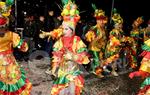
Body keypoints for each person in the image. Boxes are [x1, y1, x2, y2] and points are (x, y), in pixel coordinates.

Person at [40, 1, 90, 94]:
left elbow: (83, 56)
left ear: (72, 30)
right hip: (63, 71)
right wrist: (54, 68)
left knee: (72, 91)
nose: (63, 31)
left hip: (73, 71)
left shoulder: (77, 40)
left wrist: (73, 56)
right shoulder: (60, 40)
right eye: (63, 28)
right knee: (62, 91)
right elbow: (57, 55)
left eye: (66, 29)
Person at [0, 1, 32, 94]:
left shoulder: (11, 35)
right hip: (8, 62)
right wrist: (22, 44)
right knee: (11, 82)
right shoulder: (11, 35)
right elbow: (24, 48)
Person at [85, 9, 108, 77]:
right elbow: (88, 36)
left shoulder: (103, 28)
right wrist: (92, 37)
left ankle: (93, 69)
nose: (101, 22)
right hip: (94, 47)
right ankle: (98, 72)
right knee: (97, 59)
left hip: (101, 47)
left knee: (100, 59)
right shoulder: (94, 28)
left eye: (102, 20)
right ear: (97, 20)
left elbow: (104, 38)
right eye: (99, 20)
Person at [104, 9, 124, 76]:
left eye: (120, 24)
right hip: (112, 48)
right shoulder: (113, 31)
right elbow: (112, 39)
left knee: (115, 60)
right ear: (115, 25)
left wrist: (123, 40)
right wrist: (120, 41)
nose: (120, 25)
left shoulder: (120, 31)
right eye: (119, 24)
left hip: (117, 48)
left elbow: (121, 39)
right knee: (111, 59)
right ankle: (105, 68)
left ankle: (113, 70)